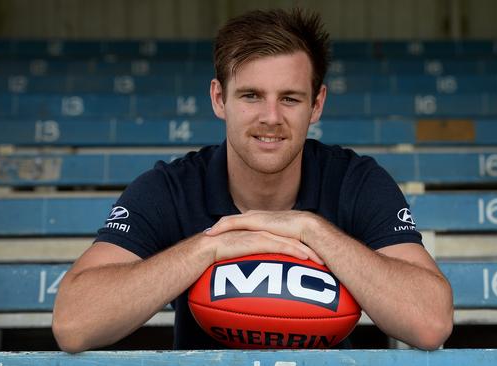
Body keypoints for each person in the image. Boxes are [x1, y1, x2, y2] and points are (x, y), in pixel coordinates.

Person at [52, 8, 453, 352]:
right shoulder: (171, 187)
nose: (271, 117)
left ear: (317, 105)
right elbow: (73, 323)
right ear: (218, 99)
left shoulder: (354, 180)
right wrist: (211, 247)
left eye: (290, 98)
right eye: (250, 96)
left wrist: (312, 230)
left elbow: (431, 322)